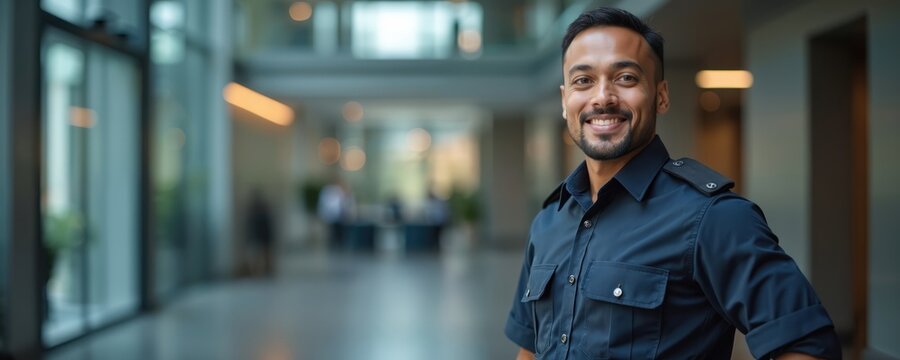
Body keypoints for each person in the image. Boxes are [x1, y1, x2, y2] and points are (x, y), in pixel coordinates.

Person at [505, 7, 841, 360]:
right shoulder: (548, 221)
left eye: (626, 78)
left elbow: (808, 347)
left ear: (661, 96)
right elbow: (530, 347)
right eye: (583, 81)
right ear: (564, 100)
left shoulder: (712, 218)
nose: (602, 97)